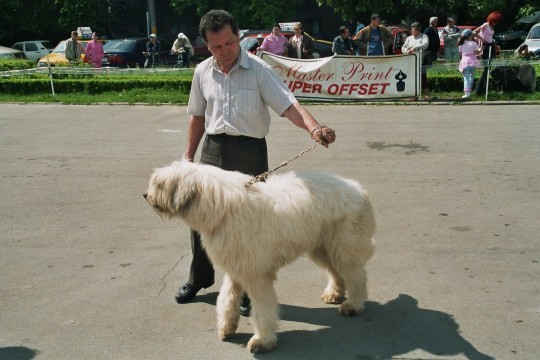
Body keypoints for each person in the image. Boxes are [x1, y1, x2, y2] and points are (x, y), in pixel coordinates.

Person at [175, 9, 336, 317]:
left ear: (239, 37)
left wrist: (314, 128)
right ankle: (199, 279)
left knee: (249, 226)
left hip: (249, 152)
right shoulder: (202, 72)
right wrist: (188, 157)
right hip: (211, 150)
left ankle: (249, 287)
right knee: (200, 219)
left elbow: (288, 105)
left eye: (229, 43)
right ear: (206, 45)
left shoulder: (259, 70)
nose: (224, 51)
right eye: (216, 46)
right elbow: (196, 114)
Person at [473, 11, 503, 95]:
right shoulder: (485, 25)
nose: (496, 22)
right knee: (486, 69)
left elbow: (489, 36)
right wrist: (482, 40)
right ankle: (478, 90)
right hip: (486, 47)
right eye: (495, 20)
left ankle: (482, 89)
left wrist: (494, 44)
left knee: (487, 69)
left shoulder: (491, 26)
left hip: (491, 46)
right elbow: (474, 33)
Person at [402, 22, 430, 101]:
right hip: (411, 61)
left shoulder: (423, 36)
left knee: (423, 78)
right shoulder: (409, 38)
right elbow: (403, 47)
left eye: (413, 29)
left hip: (421, 60)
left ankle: (427, 94)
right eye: (411, 29)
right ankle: (414, 95)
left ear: (418, 30)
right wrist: (406, 51)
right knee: (412, 78)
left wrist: (414, 47)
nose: (411, 31)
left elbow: (425, 45)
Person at [458, 29, 482, 99]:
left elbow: (460, 54)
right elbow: (477, 53)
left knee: (466, 78)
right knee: (471, 76)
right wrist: (481, 48)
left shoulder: (461, 44)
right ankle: (469, 91)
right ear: (469, 36)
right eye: (472, 35)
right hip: (473, 61)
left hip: (465, 62)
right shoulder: (474, 43)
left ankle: (467, 93)